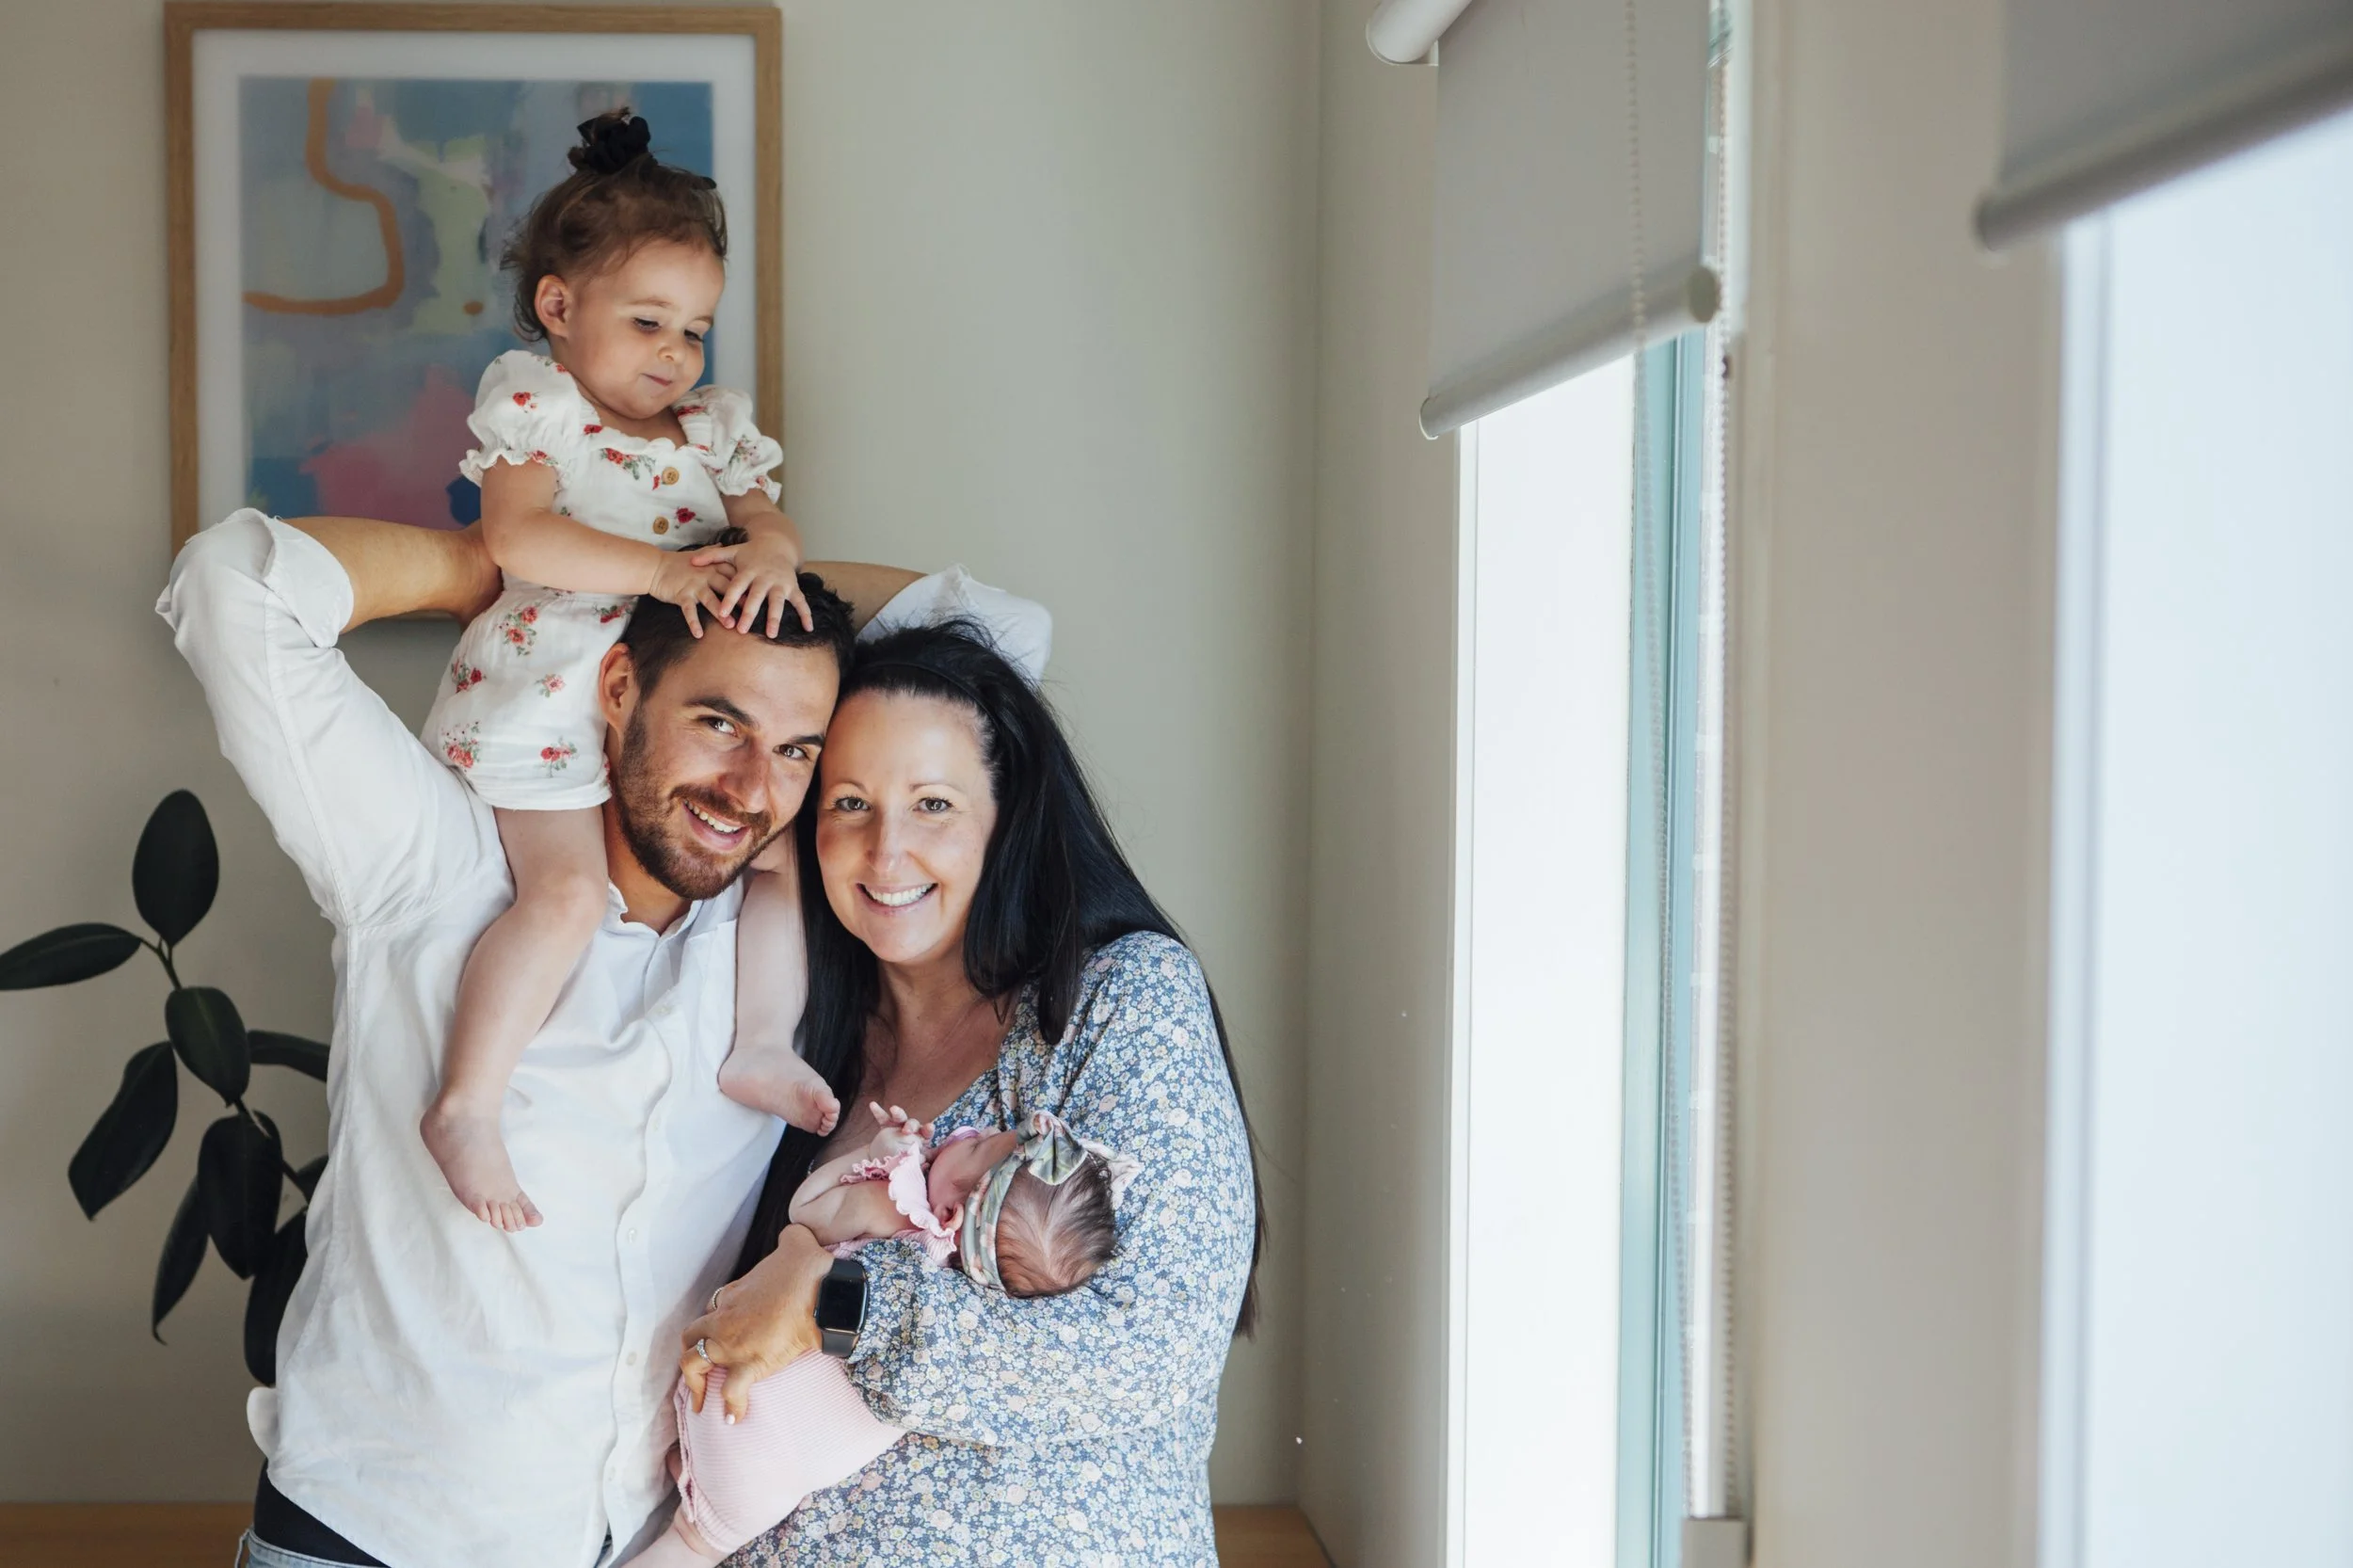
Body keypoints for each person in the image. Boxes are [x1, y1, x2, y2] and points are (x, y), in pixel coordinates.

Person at [158, 510, 1048, 1568]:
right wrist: (527, 568)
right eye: (719, 722)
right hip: (369, 1537)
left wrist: (742, 569)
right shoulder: (434, 864)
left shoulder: (780, 925)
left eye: (796, 748)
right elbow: (232, 585)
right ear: (618, 686)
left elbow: (999, 636)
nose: (751, 789)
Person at [674, 623, 1265, 1563]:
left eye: (934, 803)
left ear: (1009, 817)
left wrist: (834, 1299)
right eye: (851, 802)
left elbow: (1150, 1347)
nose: (887, 849)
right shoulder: (791, 1041)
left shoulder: (1113, 1000)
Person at [417, 109, 836, 1233]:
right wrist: (662, 569)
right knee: (562, 898)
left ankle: (757, 1040)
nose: (673, 354)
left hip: (660, 721)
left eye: (694, 330)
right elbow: (519, 540)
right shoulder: (538, 407)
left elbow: (768, 521)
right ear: (560, 308)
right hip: (547, 705)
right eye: (647, 321)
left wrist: (771, 550)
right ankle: (468, 1102)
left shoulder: (707, 431)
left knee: (782, 860)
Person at [619, 1104, 1134, 1566]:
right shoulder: (968, 1317)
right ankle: (696, 1482)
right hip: (762, 1483)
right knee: (689, 1547)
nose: (969, 1134)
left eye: (976, 1146)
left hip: (735, 1391)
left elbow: (807, 1210)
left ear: (951, 1215)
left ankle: (695, 1464)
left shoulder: (897, 1214)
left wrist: (870, 1155)